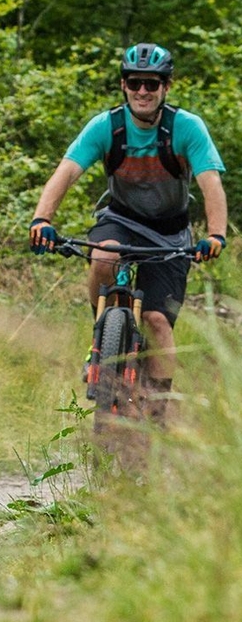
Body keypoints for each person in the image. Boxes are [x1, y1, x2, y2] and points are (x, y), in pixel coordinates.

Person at [30, 42, 227, 411]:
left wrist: (215, 234)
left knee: (156, 320)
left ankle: (158, 408)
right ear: (123, 85)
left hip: (170, 235)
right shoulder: (107, 126)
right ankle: (100, 337)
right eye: (134, 83)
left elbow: (210, 183)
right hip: (120, 220)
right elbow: (66, 172)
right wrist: (42, 220)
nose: (142, 92)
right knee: (105, 255)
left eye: (151, 84)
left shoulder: (185, 128)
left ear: (166, 87)